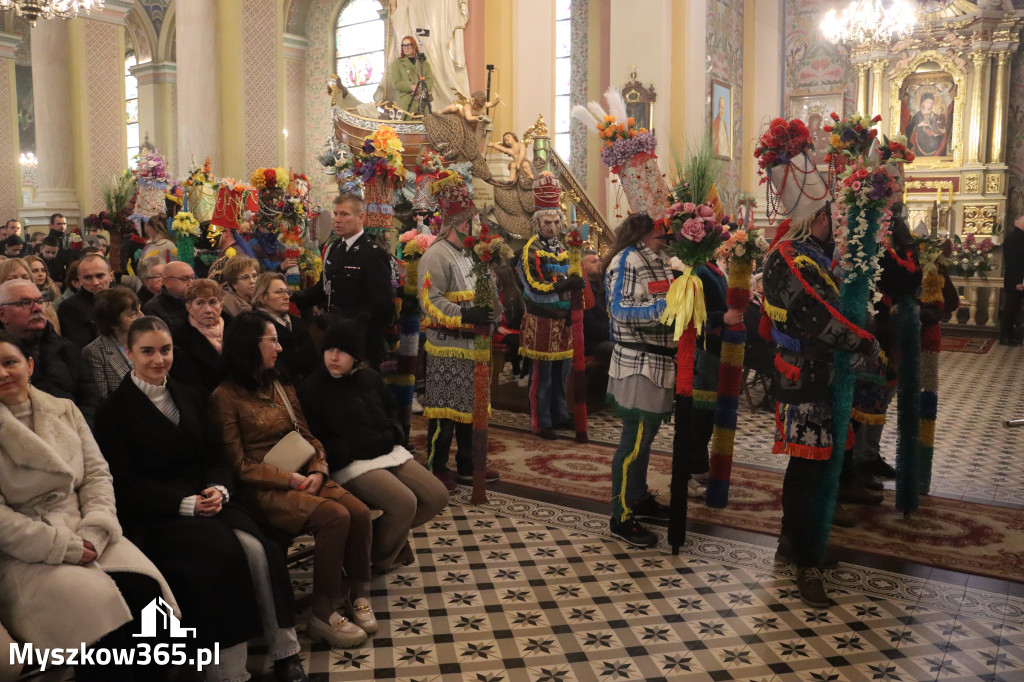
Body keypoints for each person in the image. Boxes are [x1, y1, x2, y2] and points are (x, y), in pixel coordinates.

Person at [95, 317, 308, 682]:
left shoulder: (188, 394)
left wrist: (219, 489)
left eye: (165, 350)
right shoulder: (113, 412)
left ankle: (285, 650)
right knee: (221, 559)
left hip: (209, 499)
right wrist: (185, 503)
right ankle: (228, 671)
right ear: (129, 353)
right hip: (159, 515)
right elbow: (124, 484)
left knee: (263, 549)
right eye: (147, 351)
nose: (158, 359)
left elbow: (216, 456)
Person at [0, 331, 177, 682]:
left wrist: (96, 527)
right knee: (96, 613)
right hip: (28, 547)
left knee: (146, 594)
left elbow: (97, 475)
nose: (3, 373)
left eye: (10, 363)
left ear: (30, 365)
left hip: (85, 527)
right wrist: (59, 546)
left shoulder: (63, 409)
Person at [210, 311, 376, 648]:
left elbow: (306, 434)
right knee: (335, 516)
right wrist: (290, 480)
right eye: (272, 340)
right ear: (249, 345)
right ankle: (322, 612)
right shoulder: (224, 398)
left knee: (358, 512)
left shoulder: (279, 384)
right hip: (264, 488)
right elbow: (239, 465)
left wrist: (318, 468)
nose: (280, 348)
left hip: (304, 472)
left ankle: (358, 593)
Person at [761, 200, 880, 608]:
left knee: (818, 467)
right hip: (803, 378)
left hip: (824, 376)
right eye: (834, 217)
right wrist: (861, 341)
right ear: (816, 217)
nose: (838, 226)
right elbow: (811, 314)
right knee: (806, 469)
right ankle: (805, 563)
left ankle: (794, 544)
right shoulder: (787, 257)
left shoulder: (816, 256)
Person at [299, 319, 448, 573]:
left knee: (437, 496)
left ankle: (365, 543)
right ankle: (376, 560)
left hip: (385, 453)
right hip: (351, 463)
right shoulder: (313, 388)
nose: (334, 356)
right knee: (404, 503)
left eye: (342, 350)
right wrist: (347, 450)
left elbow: (391, 412)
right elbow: (313, 440)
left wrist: (392, 433)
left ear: (356, 355)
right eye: (329, 349)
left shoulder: (369, 377)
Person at [417, 171, 501, 491]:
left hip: (475, 346)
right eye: (473, 219)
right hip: (447, 346)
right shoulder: (436, 255)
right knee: (445, 412)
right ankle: (436, 466)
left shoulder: (470, 254)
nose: (477, 224)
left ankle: (468, 464)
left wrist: (492, 310)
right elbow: (430, 301)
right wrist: (466, 315)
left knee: (471, 408)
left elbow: (486, 293)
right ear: (460, 223)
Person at [604, 214, 676, 548]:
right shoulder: (627, 260)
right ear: (648, 232)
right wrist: (670, 305)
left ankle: (637, 496)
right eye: (664, 230)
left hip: (658, 361)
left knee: (645, 440)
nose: (668, 235)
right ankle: (620, 516)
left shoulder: (657, 260)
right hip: (638, 363)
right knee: (632, 443)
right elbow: (620, 309)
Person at [517, 172, 586, 439]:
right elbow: (534, 284)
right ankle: (541, 421)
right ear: (537, 223)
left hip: (565, 319)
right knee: (542, 375)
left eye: (557, 221)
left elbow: (571, 273)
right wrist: (562, 286)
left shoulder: (565, 247)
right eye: (548, 222)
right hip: (542, 318)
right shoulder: (531, 248)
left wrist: (574, 285)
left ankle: (560, 414)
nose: (553, 226)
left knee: (562, 373)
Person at [294, 194, 394, 370]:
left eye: (344, 214)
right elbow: (325, 288)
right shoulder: (335, 248)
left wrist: (344, 321)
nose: (337, 220)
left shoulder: (373, 254)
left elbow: (382, 306)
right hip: (335, 338)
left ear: (361, 217)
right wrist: (294, 296)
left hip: (361, 342)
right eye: (336, 214)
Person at [0, 279, 101, 425]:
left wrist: (77, 429)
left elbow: (91, 398)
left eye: (40, 301)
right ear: (2, 314)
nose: (37, 308)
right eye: (25, 302)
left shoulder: (67, 348)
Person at [253, 272, 317, 382]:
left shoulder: (299, 323)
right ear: (262, 297)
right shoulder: (254, 327)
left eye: (287, 292)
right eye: (279, 292)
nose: (287, 297)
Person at [81, 288, 143, 400]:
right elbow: (102, 398)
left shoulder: (147, 341)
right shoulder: (95, 352)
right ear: (113, 321)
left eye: (139, 311)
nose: (142, 316)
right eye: (133, 314)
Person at [170, 278, 229, 395]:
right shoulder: (178, 338)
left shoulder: (235, 327)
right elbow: (189, 384)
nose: (208, 310)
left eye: (213, 302)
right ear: (189, 308)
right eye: (200, 303)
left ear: (221, 305)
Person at [58, 253, 113, 350]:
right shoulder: (69, 307)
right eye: (88, 278)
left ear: (111, 276)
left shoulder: (124, 299)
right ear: (80, 279)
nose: (95, 283)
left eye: (100, 276)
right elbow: (83, 348)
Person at [389, 35, 437, 117]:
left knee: (429, 125)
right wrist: (411, 87)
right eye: (403, 45)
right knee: (405, 127)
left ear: (414, 46)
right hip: (407, 101)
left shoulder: (424, 64)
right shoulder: (397, 64)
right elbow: (395, 83)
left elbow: (430, 81)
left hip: (423, 100)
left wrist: (420, 88)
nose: (406, 48)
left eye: (409, 45)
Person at [582, 248, 614, 369]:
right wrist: (611, 331)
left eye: (598, 260)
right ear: (583, 266)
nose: (599, 264)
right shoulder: (582, 288)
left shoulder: (605, 284)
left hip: (608, 333)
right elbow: (588, 323)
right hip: (593, 341)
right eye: (593, 262)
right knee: (618, 352)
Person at [143, 259, 194, 330]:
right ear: (167, 282)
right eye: (184, 279)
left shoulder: (197, 299)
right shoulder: (152, 309)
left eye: (192, 278)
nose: (191, 283)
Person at [999, 214, 1024, 346]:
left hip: (1019, 279)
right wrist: (1018, 282)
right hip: (1015, 281)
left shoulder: (1019, 238)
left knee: (1015, 310)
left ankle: (1011, 334)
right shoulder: (1013, 239)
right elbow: (1012, 263)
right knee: (1010, 308)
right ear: (1017, 222)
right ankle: (1005, 336)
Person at [23, 254, 62, 331]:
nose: (41, 274)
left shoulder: (53, 292)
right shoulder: (21, 297)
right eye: (35, 271)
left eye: (43, 270)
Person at [906, 92, 949, 157]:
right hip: (920, 140)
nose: (929, 104)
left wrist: (938, 130)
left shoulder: (935, 115)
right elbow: (909, 129)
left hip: (933, 140)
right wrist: (919, 125)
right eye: (927, 102)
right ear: (923, 103)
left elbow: (940, 127)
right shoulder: (917, 115)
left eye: (931, 103)